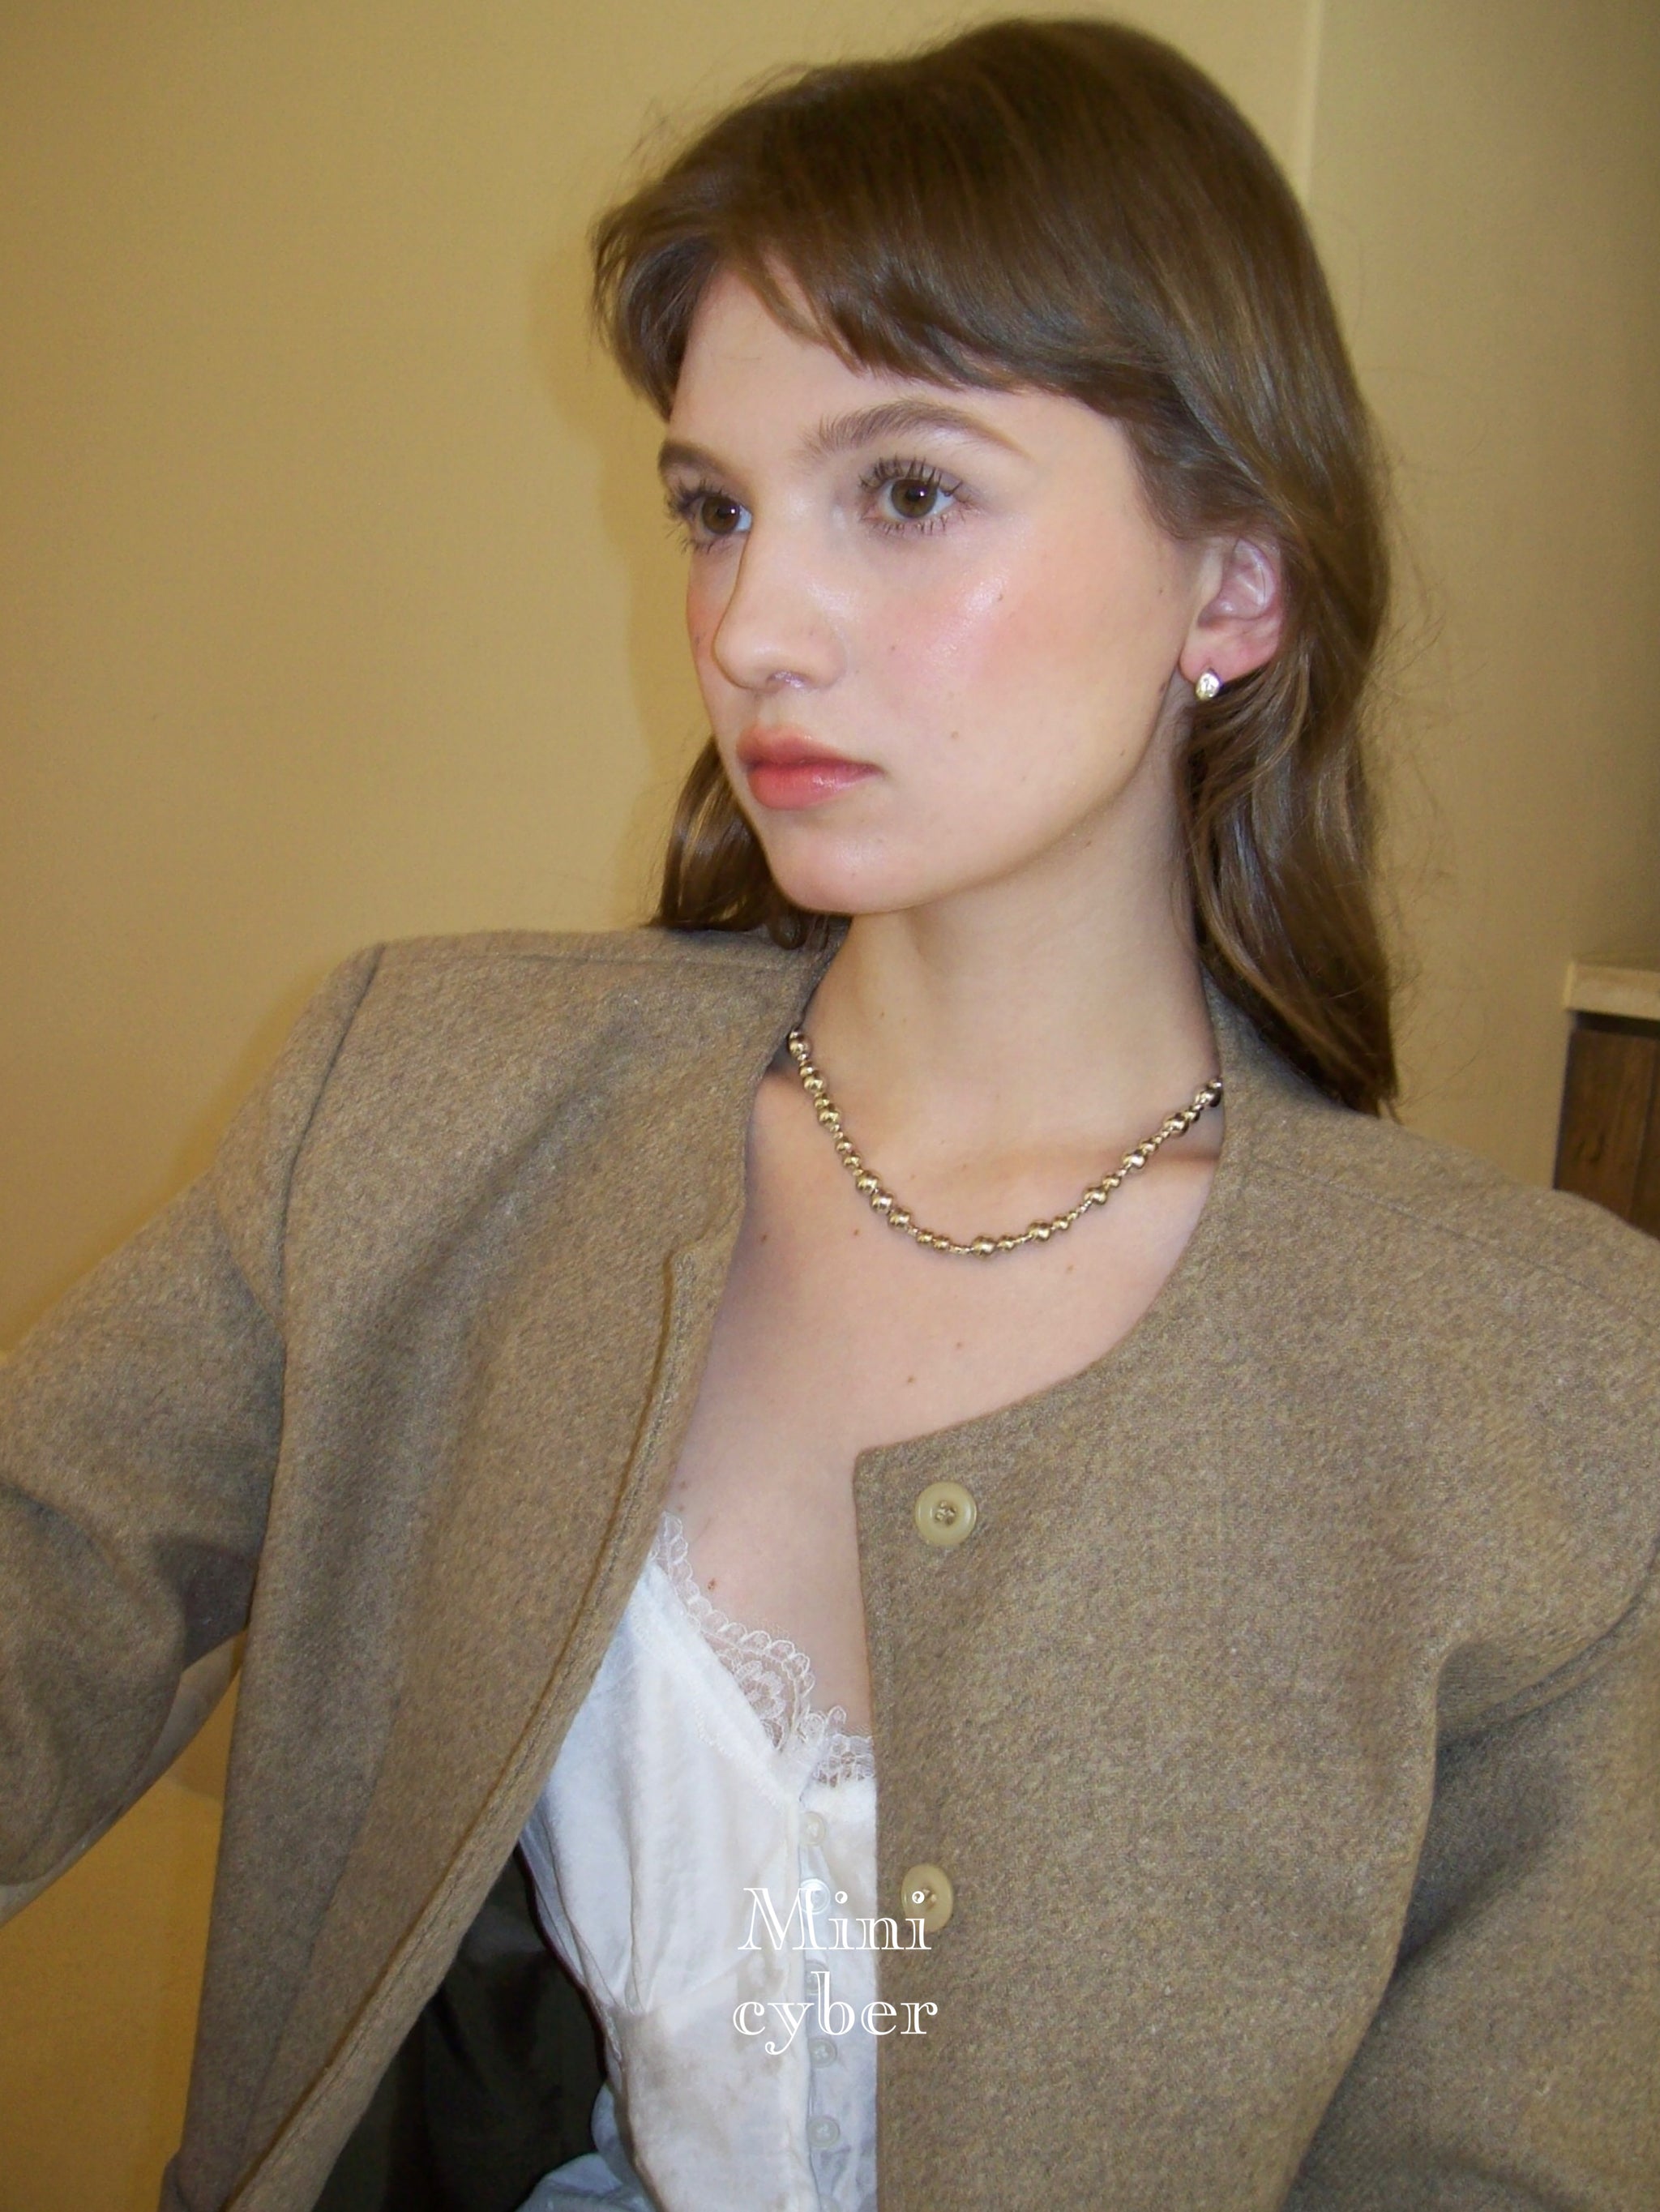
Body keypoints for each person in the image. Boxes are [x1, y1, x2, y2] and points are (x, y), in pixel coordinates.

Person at [2, 17, 1656, 2212]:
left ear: (1236, 581)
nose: (752, 627)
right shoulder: (411, 1104)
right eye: (716, 508)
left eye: (907, 490)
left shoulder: (1547, 1393)